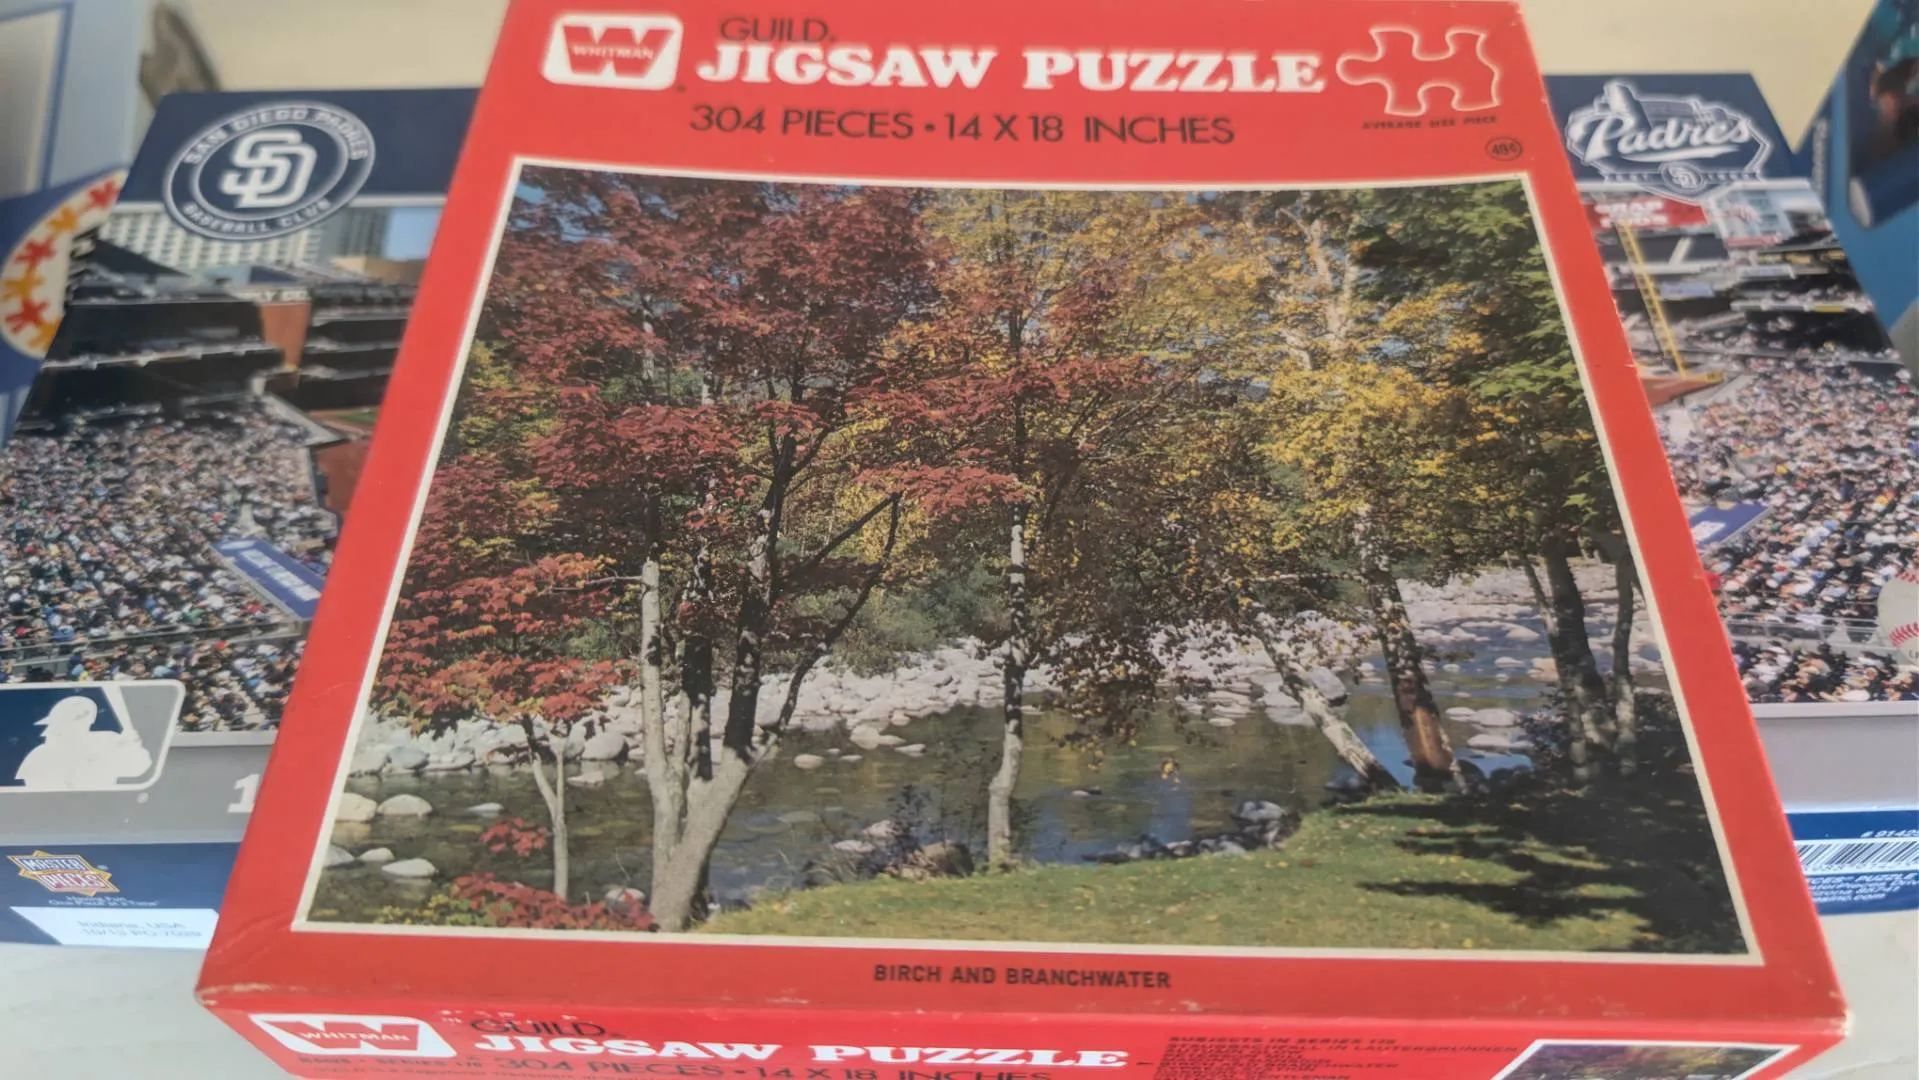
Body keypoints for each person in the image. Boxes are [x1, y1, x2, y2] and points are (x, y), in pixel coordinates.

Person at [11, 695, 152, 790]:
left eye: (77, 718)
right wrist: (105, 753)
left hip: (104, 808)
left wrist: (134, 747)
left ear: (90, 719)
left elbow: (138, 768)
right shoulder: (40, 755)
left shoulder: (107, 738)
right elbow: (56, 792)